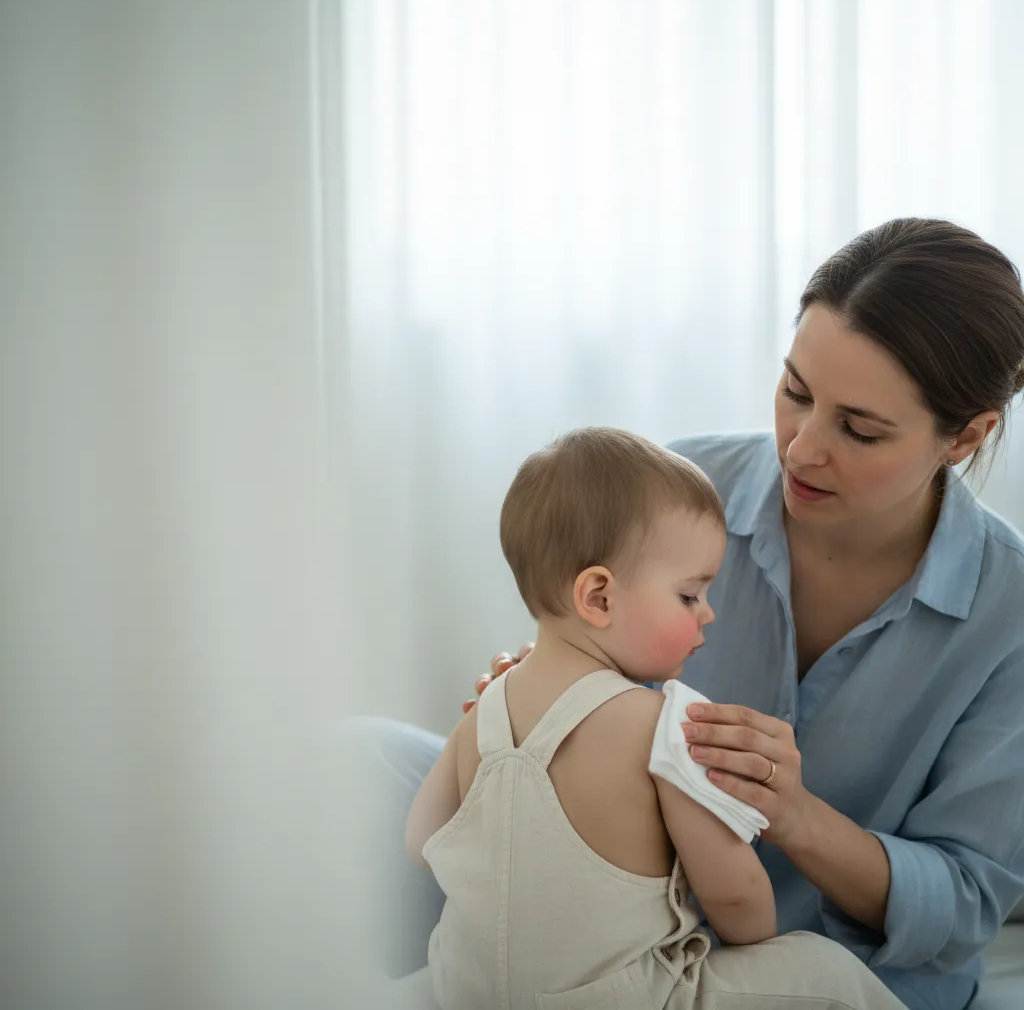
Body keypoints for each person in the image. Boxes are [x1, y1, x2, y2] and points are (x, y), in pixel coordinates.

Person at [354, 218, 1024, 1010]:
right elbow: (582, 627)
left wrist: (798, 818)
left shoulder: (1005, 611)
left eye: (859, 428)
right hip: (603, 924)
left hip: (824, 970)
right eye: (796, 392)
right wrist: (538, 700)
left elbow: (966, 904)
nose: (801, 448)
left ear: (965, 437)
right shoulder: (681, 491)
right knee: (355, 755)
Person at [405, 425, 908, 1010]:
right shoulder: (666, 725)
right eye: (690, 595)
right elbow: (737, 897)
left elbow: (422, 844)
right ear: (599, 598)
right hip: (624, 998)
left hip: (467, 992)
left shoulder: (483, 710)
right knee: (824, 972)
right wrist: (756, 942)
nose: (709, 614)